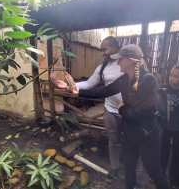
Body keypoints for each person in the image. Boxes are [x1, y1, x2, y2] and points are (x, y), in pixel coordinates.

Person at [70, 44, 169, 189]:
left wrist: (121, 109)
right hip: (129, 133)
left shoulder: (149, 80)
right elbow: (102, 92)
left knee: (155, 174)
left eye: (120, 59)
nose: (117, 62)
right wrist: (76, 91)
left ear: (130, 61)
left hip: (148, 135)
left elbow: (138, 114)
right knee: (128, 170)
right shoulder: (124, 79)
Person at [55, 37, 144, 187]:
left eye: (104, 49)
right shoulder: (103, 67)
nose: (102, 53)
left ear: (115, 49)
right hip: (110, 109)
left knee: (136, 143)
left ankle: (138, 174)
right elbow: (91, 84)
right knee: (113, 141)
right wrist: (70, 85)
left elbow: (145, 86)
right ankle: (114, 167)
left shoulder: (135, 65)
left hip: (131, 113)